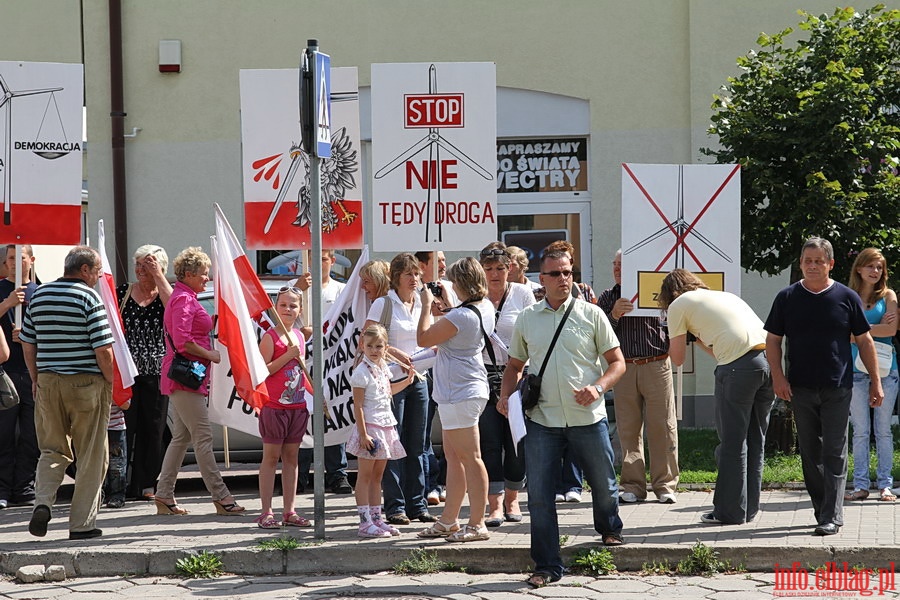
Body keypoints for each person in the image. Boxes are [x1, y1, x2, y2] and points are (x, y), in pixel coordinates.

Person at [498, 249, 626, 587]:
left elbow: (617, 363)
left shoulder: (592, 314)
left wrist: (598, 388)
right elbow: (514, 366)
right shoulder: (527, 317)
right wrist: (504, 397)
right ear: (542, 279)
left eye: (568, 272)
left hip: (589, 417)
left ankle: (609, 527)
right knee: (539, 495)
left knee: (604, 484)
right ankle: (547, 565)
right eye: (555, 274)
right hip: (543, 419)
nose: (563, 279)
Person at [765, 237, 884, 536]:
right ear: (801, 264)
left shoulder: (846, 297)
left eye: (819, 261)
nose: (813, 266)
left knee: (834, 450)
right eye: (808, 261)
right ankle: (822, 509)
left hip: (838, 385)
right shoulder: (787, 298)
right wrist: (777, 377)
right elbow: (773, 340)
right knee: (810, 451)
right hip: (800, 387)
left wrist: (875, 382)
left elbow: (865, 340)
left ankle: (832, 514)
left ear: (831, 264)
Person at [657, 269, 773, 524]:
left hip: (736, 371)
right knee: (755, 440)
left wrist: (675, 334)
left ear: (671, 293)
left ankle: (729, 512)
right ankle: (748, 509)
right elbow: (724, 348)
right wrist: (697, 338)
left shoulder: (678, 304)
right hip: (767, 364)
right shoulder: (724, 297)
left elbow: (677, 358)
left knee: (732, 444)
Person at [20, 246, 114, 540]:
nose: (98, 277)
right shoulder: (88, 297)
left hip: (48, 382)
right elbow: (103, 350)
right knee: (91, 454)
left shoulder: (40, 296)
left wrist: (36, 378)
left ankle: (43, 503)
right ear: (84, 270)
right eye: (97, 271)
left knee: (51, 450)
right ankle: (81, 524)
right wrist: (110, 382)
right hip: (86, 383)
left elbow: (28, 343)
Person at [155, 246, 245, 516]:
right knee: (202, 437)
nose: (208, 278)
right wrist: (211, 354)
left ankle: (164, 495)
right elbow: (183, 342)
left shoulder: (185, 297)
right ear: (189, 274)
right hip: (185, 378)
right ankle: (221, 496)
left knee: (181, 437)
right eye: (204, 275)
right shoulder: (184, 299)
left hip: (184, 378)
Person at [416, 257, 494, 542]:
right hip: (460, 390)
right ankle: (449, 520)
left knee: (470, 458)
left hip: (460, 392)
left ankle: (477, 524)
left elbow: (423, 338)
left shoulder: (460, 316)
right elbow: (458, 321)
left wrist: (426, 306)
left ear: (461, 283)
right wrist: (447, 307)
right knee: (454, 457)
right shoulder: (480, 307)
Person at [597, 250, 678, 504]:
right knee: (628, 429)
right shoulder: (608, 297)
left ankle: (664, 485)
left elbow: (674, 323)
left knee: (662, 426)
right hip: (624, 367)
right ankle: (632, 486)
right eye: (615, 264)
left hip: (656, 365)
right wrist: (613, 316)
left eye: (622, 265)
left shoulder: (656, 291)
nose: (617, 269)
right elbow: (599, 336)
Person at [363, 253, 435, 525]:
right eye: (409, 274)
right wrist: (396, 355)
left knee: (418, 443)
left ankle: (417, 504)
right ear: (396, 278)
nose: (415, 279)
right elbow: (367, 338)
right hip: (391, 380)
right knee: (394, 444)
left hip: (419, 378)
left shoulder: (421, 303)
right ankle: (395, 507)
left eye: (417, 274)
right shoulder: (384, 303)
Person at [477, 242, 534, 526]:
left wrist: (514, 385)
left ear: (509, 268)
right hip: (483, 374)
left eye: (500, 268)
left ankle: (513, 498)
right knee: (489, 440)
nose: (495, 274)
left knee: (515, 441)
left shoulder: (523, 294)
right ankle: (494, 504)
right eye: (488, 269)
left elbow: (533, 336)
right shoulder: (476, 297)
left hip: (517, 372)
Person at [116, 244, 172, 502]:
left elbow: (175, 310)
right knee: (125, 427)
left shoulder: (165, 293)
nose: (140, 270)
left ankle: (146, 483)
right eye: (137, 265)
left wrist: (158, 276)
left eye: (146, 265)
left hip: (157, 372)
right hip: (127, 372)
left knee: (154, 429)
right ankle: (119, 482)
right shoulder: (123, 293)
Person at [348, 324, 414, 538]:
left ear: (386, 347)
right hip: (371, 427)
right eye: (370, 346)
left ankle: (377, 519)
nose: (374, 350)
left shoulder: (383, 367)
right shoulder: (360, 372)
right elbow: (357, 405)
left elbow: (387, 391)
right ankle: (365, 522)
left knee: (378, 476)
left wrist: (407, 382)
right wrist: (363, 433)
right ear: (362, 346)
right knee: (365, 476)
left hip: (385, 424)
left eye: (379, 346)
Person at [295, 249, 352, 495]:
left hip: (332, 361)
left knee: (332, 411)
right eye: (312, 259)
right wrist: (298, 289)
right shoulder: (296, 287)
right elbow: (283, 314)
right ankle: (299, 474)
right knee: (304, 415)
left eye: (323, 258)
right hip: (302, 361)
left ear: (333, 261)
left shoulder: (341, 290)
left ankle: (337, 474)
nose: (318, 263)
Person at [255, 287, 313, 529]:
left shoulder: (299, 336)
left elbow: (300, 371)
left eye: (293, 306)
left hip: (297, 406)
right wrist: (288, 355)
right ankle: (266, 512)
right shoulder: (271, 336)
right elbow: (263, 370)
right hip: (274, 406)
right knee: (271, 458)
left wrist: (315, 393)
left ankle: (289, 511)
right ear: (275, 308)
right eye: (284, 305)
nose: (288, 310)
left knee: (292, 458)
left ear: (300, 309)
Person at [845, 248, 898, 502]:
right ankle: (861, 485)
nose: (875, 272)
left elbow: (892, 329)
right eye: (870, 267)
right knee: (861, 431)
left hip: (887, 371)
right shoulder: (849, 297)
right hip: (855, 371)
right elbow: (842, 332)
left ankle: (885, 485)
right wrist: (877, 328)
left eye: (879, 268)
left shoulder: (888, 296)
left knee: (884, 430)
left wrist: (860, 330)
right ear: (859, 268)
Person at [0, 244, 39, 509]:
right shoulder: (1, 289)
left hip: (33, 372)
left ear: (31, 260)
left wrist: (27, 337)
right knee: (3, 435)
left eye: (20, 258)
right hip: (6, 372)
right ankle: (2, 488)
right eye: (10, 258)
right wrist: (7, 304)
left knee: (32, 434)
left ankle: (24, 487)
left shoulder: (42, 291)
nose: (14, 263)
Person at [103, 402, 128, 509]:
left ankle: (117, 496)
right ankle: (98, 495)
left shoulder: (119, 384)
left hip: (115, 427)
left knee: (117, 465)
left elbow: (126, 404)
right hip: (93, 427)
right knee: (96, 464)